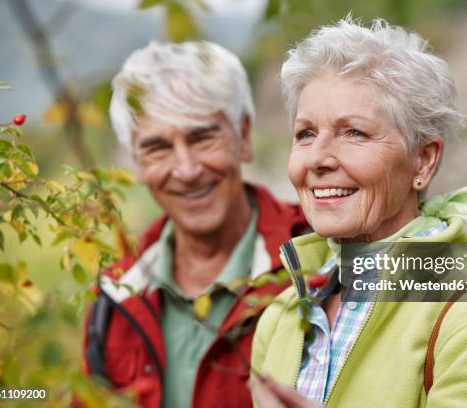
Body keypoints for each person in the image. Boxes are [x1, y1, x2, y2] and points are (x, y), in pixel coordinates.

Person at [250, 17, 467, 407]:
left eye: (354, 132)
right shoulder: (280, 318)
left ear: (423, 161)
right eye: (306, 133)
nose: (318, 158)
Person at [81, 40, 308, 408]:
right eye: (157, 148)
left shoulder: (319, 260)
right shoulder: (116, 296)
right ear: (137, 164)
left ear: (244, 137)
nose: (186, 170)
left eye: (202, 138)